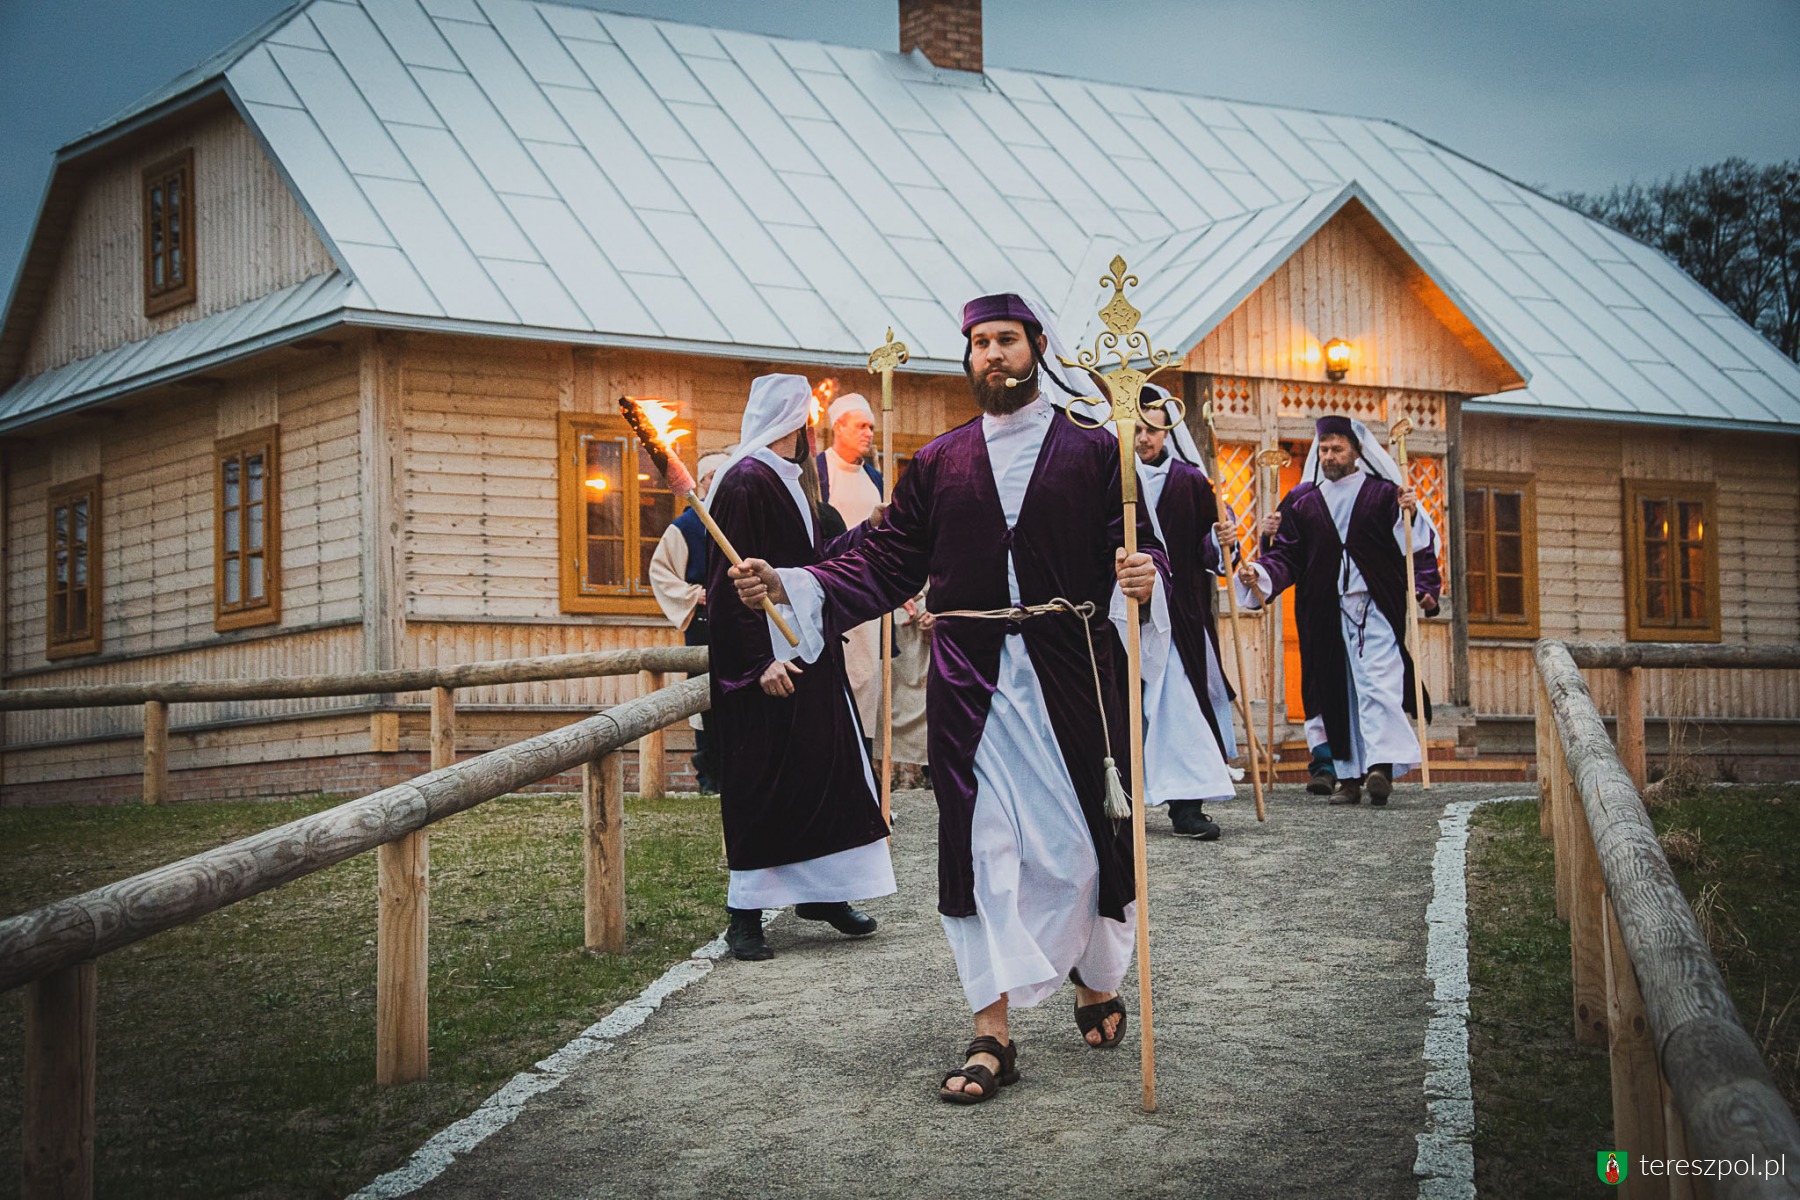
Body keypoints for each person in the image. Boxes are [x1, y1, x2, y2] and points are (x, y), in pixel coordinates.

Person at [731, 293, 1166, 1105]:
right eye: (979, 344)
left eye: (1006, 340)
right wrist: (790, 584)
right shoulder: (940, 462)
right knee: (982, 855)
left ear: (1038, 347)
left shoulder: (1094, 450)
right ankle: (991, 1032)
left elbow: (1141, 549)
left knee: (1077, 852)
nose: (991, 355)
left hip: (1070, 683)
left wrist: (1143, 576)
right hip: (972, 691)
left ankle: (1093, 974)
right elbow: (883, 559)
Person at [705, 375, 895, 961]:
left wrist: (869, 531)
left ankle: (824, 893)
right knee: (764, 785)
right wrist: (757, 662)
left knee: (825, 776)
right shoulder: (745, 480)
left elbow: (810, 567)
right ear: (794, 418)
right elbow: (726, 585)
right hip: (767, 664)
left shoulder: (789, 477)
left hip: (809, 650)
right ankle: (744, 916)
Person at [1236, 415, 1441, 806]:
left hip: (1374, 606)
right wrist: (1259, 573)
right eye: (1324, 449)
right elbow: (1287, 555)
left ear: (1356, 452)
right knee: (1335, 691)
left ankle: (1380, 767)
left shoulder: (1384, 494)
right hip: (1323, 611)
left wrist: (1412, 525)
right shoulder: (1305, 502)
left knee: (1378, 683)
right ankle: (1348, 779)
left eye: (1337, 449)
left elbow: (1414, 546)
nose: (1329, 456)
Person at [1131, 387, 1239, 840]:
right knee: (1121, 706)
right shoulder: (1110, 474)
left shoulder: (1190, 481)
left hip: (1177, 614)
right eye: (1137, 429)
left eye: (1153, 430)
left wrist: (1221, 537)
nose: (1144, 438)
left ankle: (1186, 805)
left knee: (1178, 702)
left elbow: (1207, 549)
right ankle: (1120, 804)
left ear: (1168, 434)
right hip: (1122, 611)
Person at [648, 452, 730, 792]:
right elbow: (660, 572)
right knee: (705, 697)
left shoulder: (739, 517)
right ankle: (710, 776)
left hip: (740, 621)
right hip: (706, 624)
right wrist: (694, 594)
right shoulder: (686, 527)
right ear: (705, 481)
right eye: (716, 477)